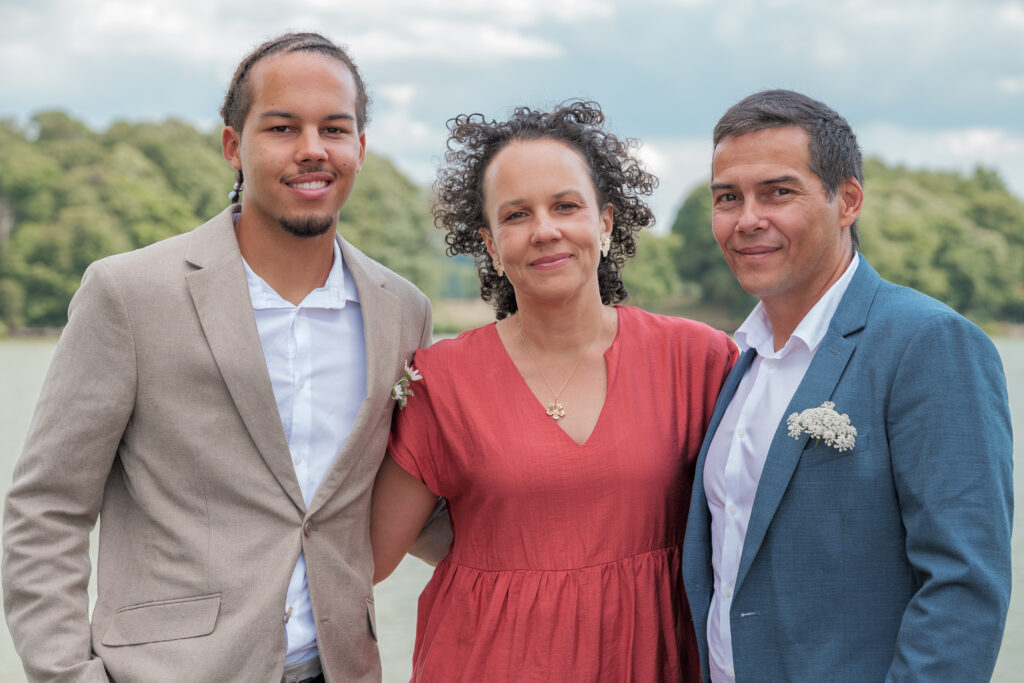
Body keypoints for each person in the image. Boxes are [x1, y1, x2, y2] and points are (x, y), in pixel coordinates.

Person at [2, 32, 442, 682]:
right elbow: (47, 507)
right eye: (283, 127)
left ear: (361, 148)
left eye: (334, 128)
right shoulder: (129, 293)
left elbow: (409, 501)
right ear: (234, 145)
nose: (312, 149)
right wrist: (70, 674)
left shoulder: (403, 310)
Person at [370, 100, 738, 681]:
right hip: (483, 659)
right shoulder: (440, 381)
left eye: (566, 206)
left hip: (648, 660)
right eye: (516, 215)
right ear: (490, 244)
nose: (545, 231)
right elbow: (368, 554)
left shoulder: (700, 361)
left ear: (606, 222)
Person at [682, 89, 1014, 682]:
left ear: (848, 201)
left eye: (778, 192)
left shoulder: (928, 344)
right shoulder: (740, 361)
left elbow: (963, 589)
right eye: (728, 198)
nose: (748, 218)